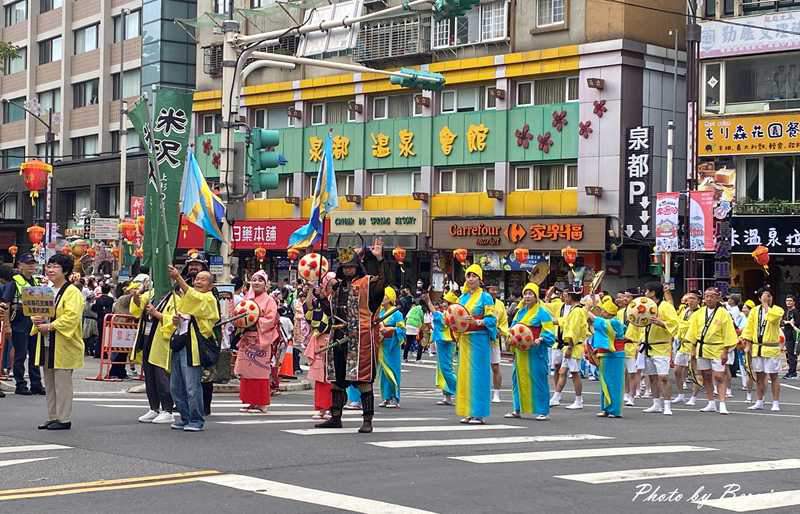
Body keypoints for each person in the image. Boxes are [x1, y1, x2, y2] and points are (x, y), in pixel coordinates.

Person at [314, 239, 388, 433]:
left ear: (358, 267)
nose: (348, 270)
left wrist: (380, 260)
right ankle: (335, 417)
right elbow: (330, 313)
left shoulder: (366, 283)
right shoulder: (337, 287)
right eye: (345, 267)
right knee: (337, 380)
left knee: (363, 379)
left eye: (352, 267)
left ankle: (367, 420)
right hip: (338, 336)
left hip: (360, 338)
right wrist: (321, 298)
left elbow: (381, 286)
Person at [32, 254, 85, 430]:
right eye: (49, 266)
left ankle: (64, 418)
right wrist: (37, 321)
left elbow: (72, 317)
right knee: (49, 381)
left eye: (55, 267)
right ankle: (52, 415)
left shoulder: (72, 292)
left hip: (63, 344)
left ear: (66, 271)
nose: (50, 270)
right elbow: (38, 312)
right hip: (47, 342)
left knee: (62, 383)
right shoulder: (45, 290)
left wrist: (51, 326)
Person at [167, 265, 220, 432]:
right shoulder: (190, 297)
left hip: (194, 346)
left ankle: (196, 419)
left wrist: (178, 278)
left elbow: (194, 297)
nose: (198, 281)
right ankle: (184, 416)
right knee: (176, 385)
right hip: (181, 342)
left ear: (211, 286)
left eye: (203, 279)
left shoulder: (209, 299)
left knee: (191, 385)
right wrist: (176, 320)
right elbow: (186, 309)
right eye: (197, 278)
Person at [453, 264, 497, 424]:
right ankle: (468, 411)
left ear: (480, 279)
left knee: (478, 376)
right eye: (468, 276)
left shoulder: (485, 297)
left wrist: (478, 321)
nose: (470, 279)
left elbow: (493, 319)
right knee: (465, 376)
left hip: (479, 340)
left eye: (474, 276)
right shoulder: (462, 298)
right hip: (465, 340)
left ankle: (478, 413)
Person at [504, 283, 555, 420]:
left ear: (536, 296)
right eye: (525, 293)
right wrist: (509, 339)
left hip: (536, 352)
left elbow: (549, 332)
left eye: (530, 293)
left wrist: (540, 339)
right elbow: (512, 329)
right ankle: (517, 409)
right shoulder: (520, 312)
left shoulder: (542, 312)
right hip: (520, 352)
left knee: (539, 380)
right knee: (517, 380)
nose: (527, 296)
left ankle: (543, 411)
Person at [130, 276, 176, 424]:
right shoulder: (152, 293)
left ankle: (167, 409)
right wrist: (136, 296)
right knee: (149, 374)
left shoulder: (175, 296)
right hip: (147, 337)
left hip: (162, 340)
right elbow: (137, 308)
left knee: (161, 375)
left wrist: (157, 314)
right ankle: (153, 407)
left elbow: (175, 320)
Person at [685, 287, 738, 415]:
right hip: (702, 347)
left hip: (718, 348)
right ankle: (710, 402)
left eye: (712, 296)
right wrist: (692, 348)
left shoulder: (723, 313)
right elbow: (692, 332)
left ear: (717, 298)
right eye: (707, 296)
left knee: (719, 376)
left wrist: (726, 350)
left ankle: (722, 403)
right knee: (705, 375)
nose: (709, 298)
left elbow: (728, 333)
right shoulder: (698, 313)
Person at [629, 282, 678, 415]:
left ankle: (667, 405)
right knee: (651, 377)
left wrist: (662, 323)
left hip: (661, 346)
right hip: (647, 346)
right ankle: (656, 403)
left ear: (653, 293)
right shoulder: (644, 307)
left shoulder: (666, 306)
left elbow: (675, 324)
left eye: (647, 291)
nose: (645, 294)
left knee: (663, 377)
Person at [2, 253, 44, 396]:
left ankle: (36, 384)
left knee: (35, 355)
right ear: (20, 265)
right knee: (20, 355)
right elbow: (6, 304)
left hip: (35, 323)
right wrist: (7, 325)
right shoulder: (14, 282)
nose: (32, 266)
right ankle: (20, 384)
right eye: (28, 263)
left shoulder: (37, 282)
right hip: (19, 321)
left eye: (33, 263)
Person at [741, 287, 785, 412]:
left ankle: (775, 402)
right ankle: (759, 400)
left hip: (770, 347)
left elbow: (773, 319)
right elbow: (749, 328)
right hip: (757, 348)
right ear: (759, 298)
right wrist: (747, 344)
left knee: (774, 376)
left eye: (769, 296)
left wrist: (766, 305)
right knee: (759, 376)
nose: (767, 298)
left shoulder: (777, 310)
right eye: (765, 297)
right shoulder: (754, 311)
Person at [585, 295, 626, 418]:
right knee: (605, 382)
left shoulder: (614, 322)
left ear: (609, 313)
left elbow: (601, 324)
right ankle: (606, 408)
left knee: (614, 383)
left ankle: (614, 410)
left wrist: (587, 311)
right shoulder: (609, 321)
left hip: (615, 355)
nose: (601, 312)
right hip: (605, 354)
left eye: (604, 311)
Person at [304, 272, 335, 419]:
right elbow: (309, 308)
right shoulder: (320, 300)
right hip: (320, 338)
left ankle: (331, 407)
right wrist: (311, 290)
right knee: (320, 377)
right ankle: (321, 407)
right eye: (328, 284)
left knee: (331, 376)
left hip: (333, 339)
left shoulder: (336, 300)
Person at [550, 289, 584, 407]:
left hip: (573, 346)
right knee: (562, 371)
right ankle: (556, 396)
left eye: (566, 296)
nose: (564, 298)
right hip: (569, 345)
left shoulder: (577, 311)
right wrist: (554, 321)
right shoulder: (575, 310)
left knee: (575, 373)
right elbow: (565, 322)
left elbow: (573, 330)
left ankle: (579, 400)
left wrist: (569, 347)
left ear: (570, 296)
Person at [426, 291, 458, 405]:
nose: (444, 304)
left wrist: (428, 301)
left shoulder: (450, 315)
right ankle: (447, 397)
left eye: (447, 302)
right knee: (442, 370)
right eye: (444, 302)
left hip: (447, 343)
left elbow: (435, 313)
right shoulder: (446, 314)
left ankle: (461, 391)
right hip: (442, 342)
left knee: (446, 369)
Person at [377, 287, 405, 408]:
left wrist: (391, 329)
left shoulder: (397, 313)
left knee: (392, 371)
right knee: (383, 373)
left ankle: (395, 397)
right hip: (382, 345)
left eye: (385, 296)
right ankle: (386, 397)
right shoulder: (380, 312)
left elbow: (402, 329)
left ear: (390, 298)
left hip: (392, 346)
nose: (382, 299)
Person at [673, 290, 700, 405]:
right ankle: (680, 394)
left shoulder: (700, 313)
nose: (690, 301)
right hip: (682, 345)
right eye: (689, 299)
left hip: (694, 345)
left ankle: (693, 397)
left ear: (698, 300)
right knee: (677, 371)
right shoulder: (684, 311)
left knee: (695, 372)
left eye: (693, 298)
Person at [486, 285, 508, 404]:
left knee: (495, 366)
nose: (494, 292)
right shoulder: (482, 300)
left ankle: (496, 393)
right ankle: (482, 392)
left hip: (494, 339)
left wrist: (501, 331)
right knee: (480, 367)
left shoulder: (500, 304)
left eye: (495, 290)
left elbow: (504, 321)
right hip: (481, 337)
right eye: (491, 290)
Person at [781, 295, 799, 379]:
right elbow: (784, 322)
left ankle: (793, 372)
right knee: (788, 354)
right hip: (787, 336)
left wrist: (789, 323)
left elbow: (797, 324)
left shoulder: (795, 312)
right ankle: (791, 371)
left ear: (794, 302)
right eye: (787, 300)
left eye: (790, 300)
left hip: (793, 337)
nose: (788, 302)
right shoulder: (787, 311)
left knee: (792, 355)